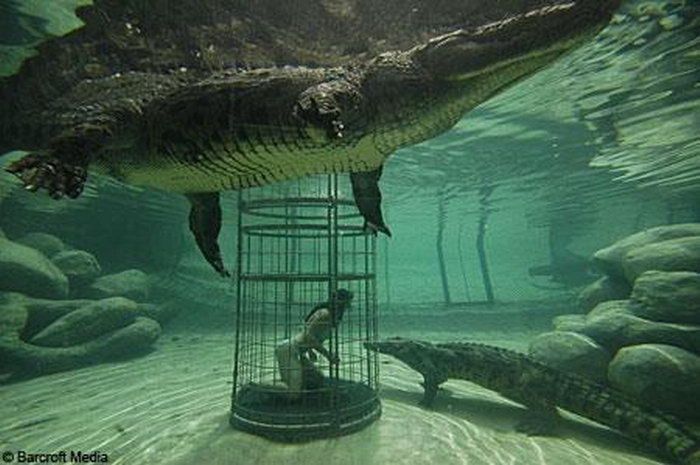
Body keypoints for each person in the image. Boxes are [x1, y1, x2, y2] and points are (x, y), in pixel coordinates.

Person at [275, 288, 353, 399]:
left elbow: (308, 331)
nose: (349, 305)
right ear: (341, 302)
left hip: (297, 352)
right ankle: (257, 387)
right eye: (348, 302)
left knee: (317, 379)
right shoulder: (325, 314)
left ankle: (291, 380)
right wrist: (328, 355)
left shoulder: (328, 314)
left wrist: (310, 351)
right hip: (289, 350)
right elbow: (308, 336)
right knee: (293, 393)